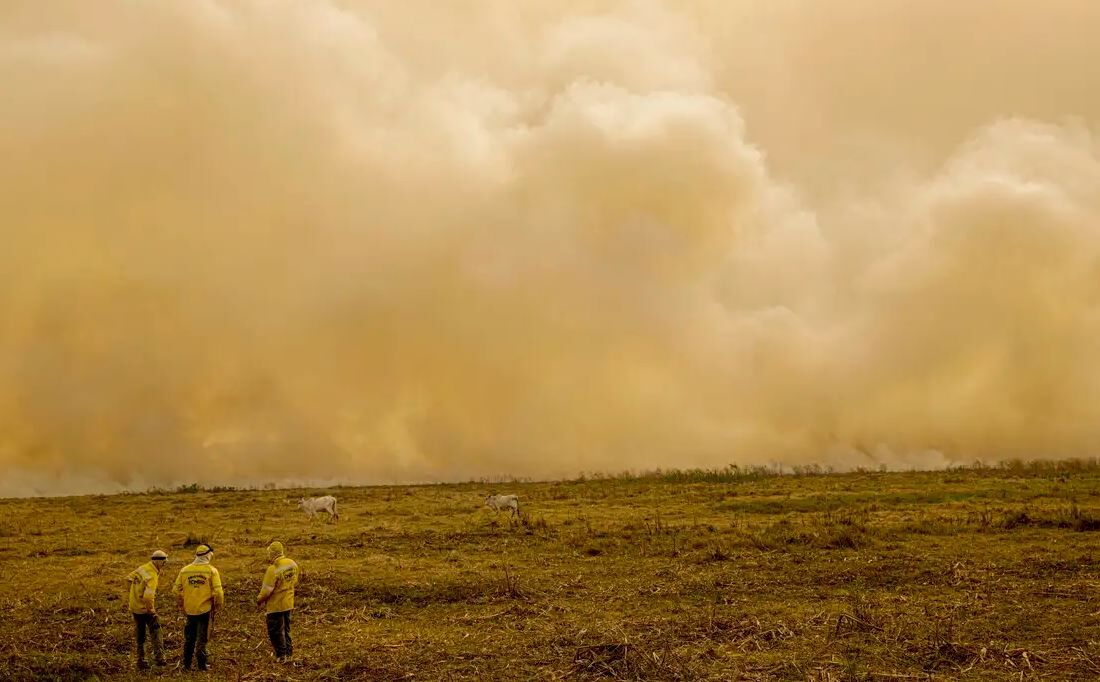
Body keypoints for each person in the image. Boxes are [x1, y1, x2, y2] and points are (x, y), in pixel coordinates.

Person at [172, 544, 224, 671]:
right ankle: (202, 665)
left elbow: (175, 590)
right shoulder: (212, 571)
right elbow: (218, 592)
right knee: (202, 638)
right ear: (208, 555)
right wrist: (217, 605)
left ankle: (187, 665)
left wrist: (182, 604)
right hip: (205, 611)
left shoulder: (185, 570)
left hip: (190, 610)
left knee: (189, 638)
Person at [256, 540, 299, 661]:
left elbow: (266, 591)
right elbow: (295, 581)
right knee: (286, 630)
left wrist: (259, 600)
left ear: (273, 553)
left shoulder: (273, 568)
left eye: (269, 552)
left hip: (276, 606)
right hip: (289, 603)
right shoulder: (292, 564)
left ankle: (281, 656)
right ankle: (289, 654)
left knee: (275, 632)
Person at [126, 550, 168, 669]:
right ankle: (160, 659)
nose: (165, 563)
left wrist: (133, 596)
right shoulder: (152, 576)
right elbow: (148, 597)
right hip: (145, 609)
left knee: (140, 635)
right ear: (157, 561)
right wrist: (151, 611)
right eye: (163, 561)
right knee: (156, 632)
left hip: (135, 608)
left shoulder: (142, 568)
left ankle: (141, 660)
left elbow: (128, 579)